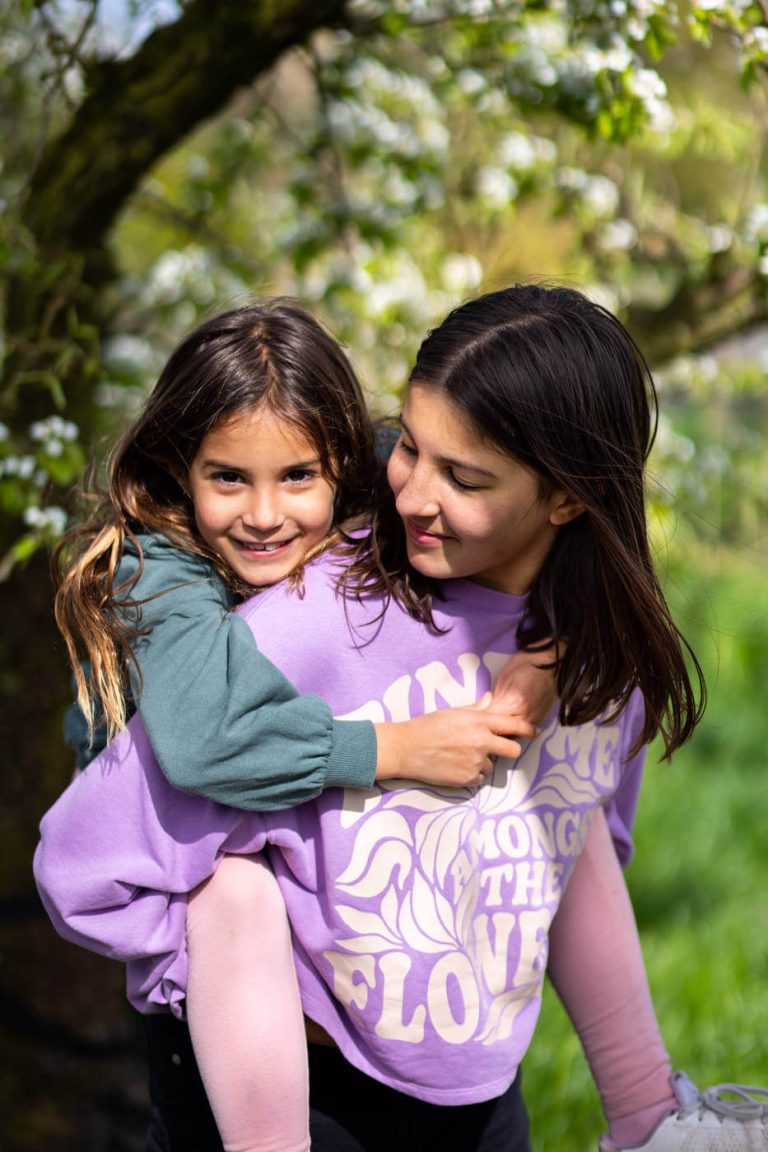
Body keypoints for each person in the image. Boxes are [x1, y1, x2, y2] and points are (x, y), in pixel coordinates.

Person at [36, 286, 767, 1151]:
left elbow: (573, 846)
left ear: (569, 498)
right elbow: (184, 758)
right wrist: (388, 748)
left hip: (470, 1088)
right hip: (282, 1083)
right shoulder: (248, 604)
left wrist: (563, 644)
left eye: (461, 475)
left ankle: (656, 1118)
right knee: (232, 885)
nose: (414, 493)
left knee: (550, 811)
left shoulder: (576, 633)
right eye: (413, 453)